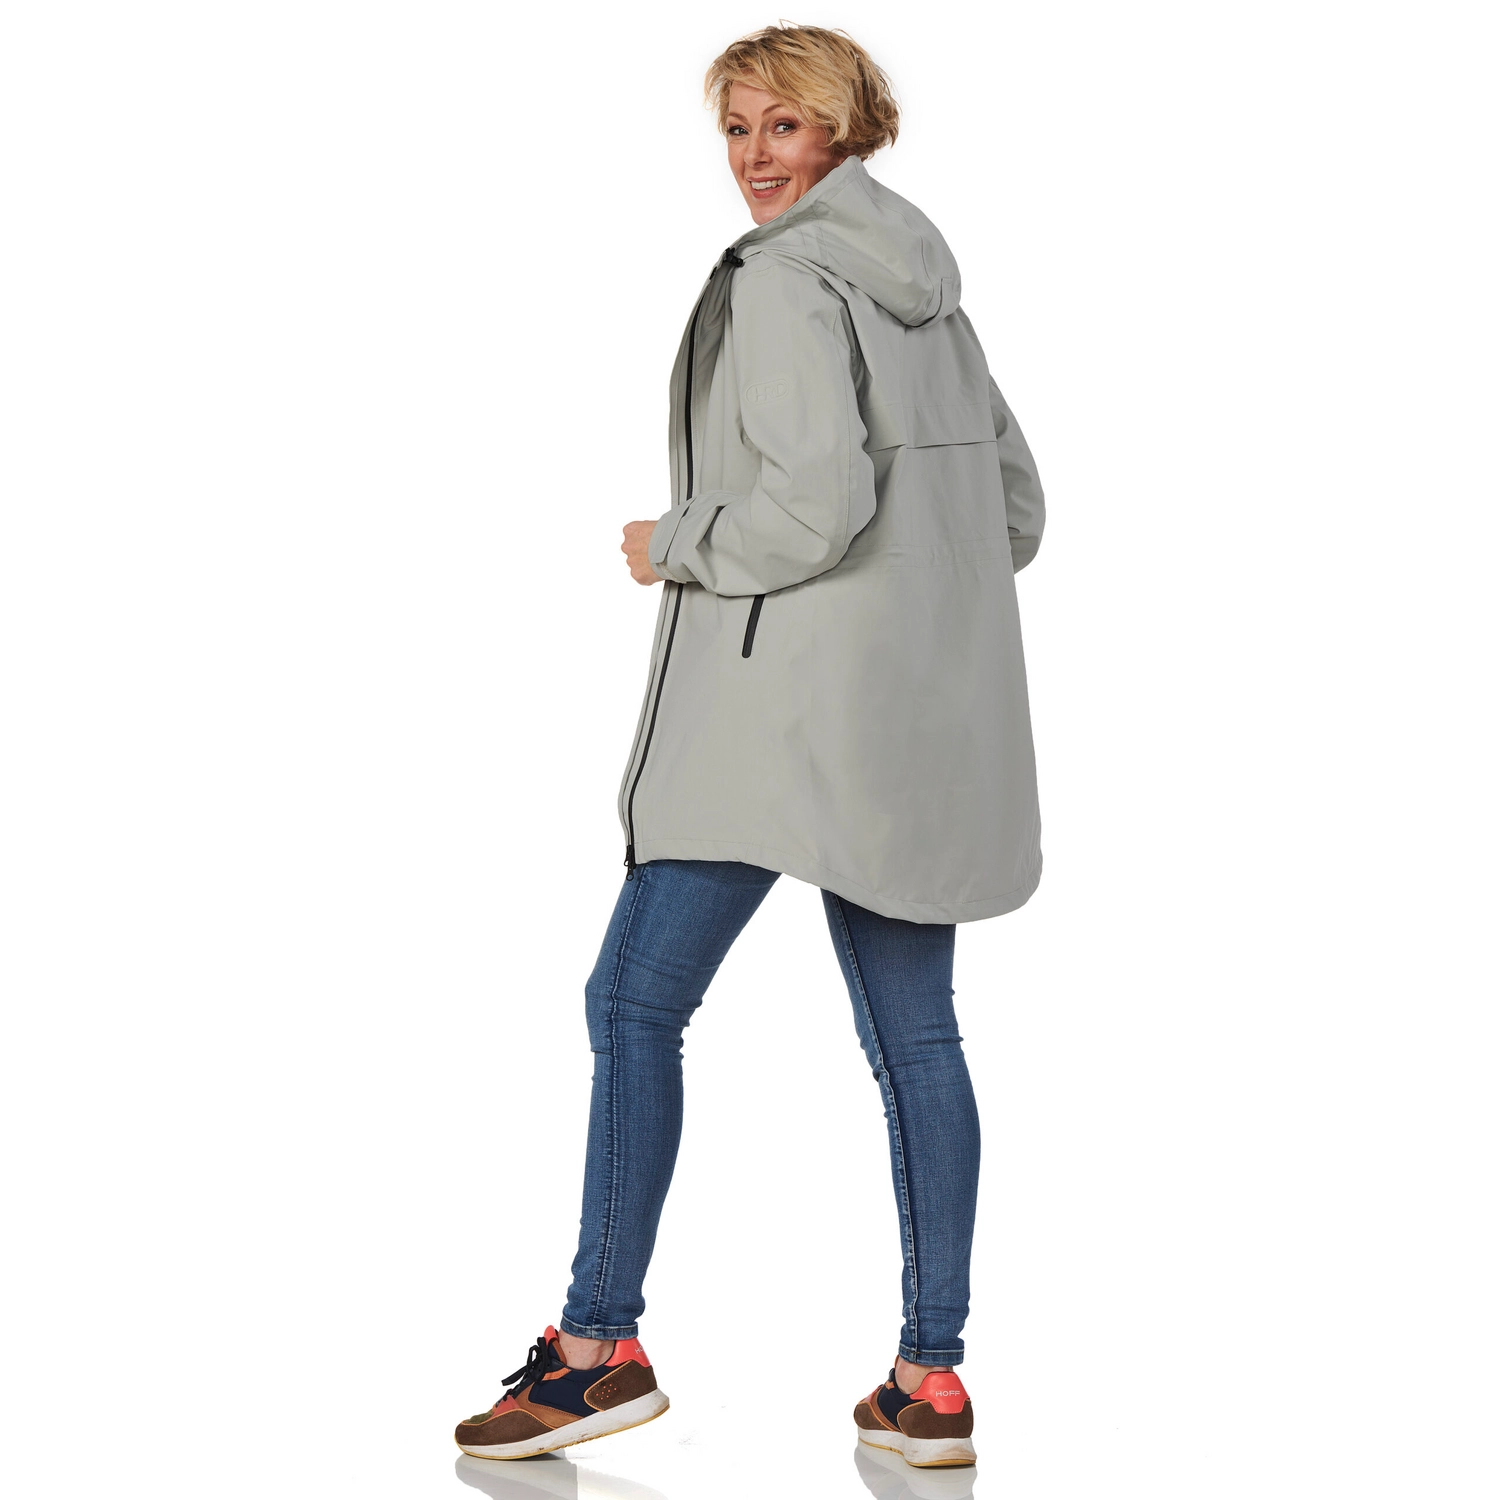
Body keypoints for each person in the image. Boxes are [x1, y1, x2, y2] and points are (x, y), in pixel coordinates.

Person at [455, 23, 1044, 1473]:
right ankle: (930, 1383)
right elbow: (1014, 513)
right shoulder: (927, 287)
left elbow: (809, 511)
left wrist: (675, 543)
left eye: (785, 126)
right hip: (910, 728)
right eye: (736, 129)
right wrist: (909, 621)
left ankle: (595, 1354)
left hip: (773, 726)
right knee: (916, 1039)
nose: (754, 159)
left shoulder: (786, 282)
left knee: (632, 1004)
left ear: (846, 129)